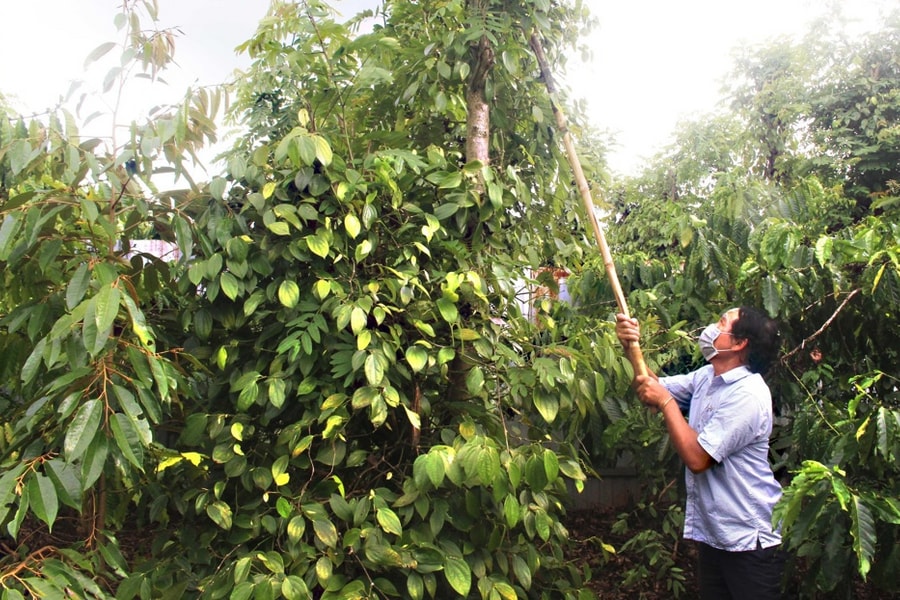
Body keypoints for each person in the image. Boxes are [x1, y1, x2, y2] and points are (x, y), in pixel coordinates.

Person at [615, 307, 785, 600]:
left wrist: (666, 402)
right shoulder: (708, 377)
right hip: (717, 535)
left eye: (721, 323)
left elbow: (698, 458)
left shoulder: (748, 394)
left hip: (749, 541)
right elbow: (650, 391)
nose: (712, 327)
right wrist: (631, 348)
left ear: (739, 343)